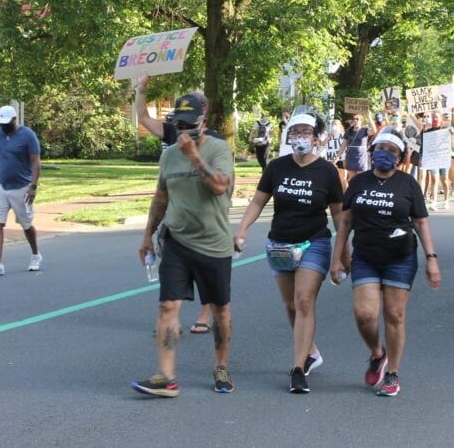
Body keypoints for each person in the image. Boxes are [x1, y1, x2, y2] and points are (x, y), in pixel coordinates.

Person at [132, 92, 236, 397]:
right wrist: (147, 235)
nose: (184, 129)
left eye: (189, 124)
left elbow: (219, 187)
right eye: (179, 124)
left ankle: (221, 366)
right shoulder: (168, 155)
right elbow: (161, 197)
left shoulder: (219, 149)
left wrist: (194, 156)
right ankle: (166, 377)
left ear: (203, 122)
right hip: (177, 240)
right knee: (167, 305)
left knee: (220, 309)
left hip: (213, 244)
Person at [234, 113, 344, 393]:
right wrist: (242, 229)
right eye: (294, 131)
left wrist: (342, 252)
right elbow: (259, 201)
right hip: (280, 244)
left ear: (317, 136)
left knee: (304, 300)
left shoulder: (328, 172)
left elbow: (338, 215)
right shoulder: (276, 167)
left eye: (306, 131)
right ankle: (311, 351)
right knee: (291, 306)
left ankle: (298, 369)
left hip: (314, 243)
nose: (300, 136)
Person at [330, 131, 441, 398]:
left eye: (392, 150)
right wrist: (337, 257)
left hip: (400, 259)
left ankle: (392, 372)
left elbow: (420, 222)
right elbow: (345, 222)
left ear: (400, 158)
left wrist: (431, 259)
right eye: (381, 148)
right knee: (365, 314)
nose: (384, 154)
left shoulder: (408, 185)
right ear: (372, 152)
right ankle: (377, 354)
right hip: (366, 257)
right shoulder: (358, 183)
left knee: (394, 315)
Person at [133, 75, 215, 333]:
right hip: (175, 212)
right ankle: (171, 318)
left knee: (205, 272)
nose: (183, 125)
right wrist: (142, 88)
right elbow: (144, 118)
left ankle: (205, 315)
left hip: (203, 215)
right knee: (172, 269)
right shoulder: (173, 131)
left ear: (205, 112)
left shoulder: (214, 140)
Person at [0, 105, 42, 277]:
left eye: (6, 123)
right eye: (1, 123)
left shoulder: (27, 135)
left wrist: (33, 187)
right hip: (0, 185)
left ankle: (35, 254)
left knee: (26, 224)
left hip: (22, 186)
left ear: (14, 120)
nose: (3, 126)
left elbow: (35, 162)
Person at [422, 113, 450, 210]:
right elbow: (425, 145)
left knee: (444, 180)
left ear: (440, 119)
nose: (434, 119)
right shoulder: (428, 131)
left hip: (443, 157)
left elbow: (451, 142)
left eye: (436, 117)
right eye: (433, 117)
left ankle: (446, 200)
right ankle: (434, 201)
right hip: (433, 158)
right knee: (434, 178)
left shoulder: (444, 130)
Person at [337, 114, 374, 184]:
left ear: (361, 121)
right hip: (351, 157)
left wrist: (369, 117)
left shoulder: (364, 130)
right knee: (352, 180)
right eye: (354, 119)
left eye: (357, 119)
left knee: (361, 179)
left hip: (361, 158)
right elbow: (343, 146)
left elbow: (374, 131)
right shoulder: (348, 131)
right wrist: (337, 157)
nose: (355, 120)